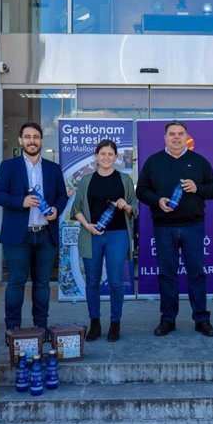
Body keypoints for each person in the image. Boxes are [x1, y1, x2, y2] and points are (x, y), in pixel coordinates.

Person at [136, 121, 213, 337]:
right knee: (166, 275)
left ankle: (201, 320)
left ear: (186, 137)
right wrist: (157, 200)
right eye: (171, 134)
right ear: (165, 138)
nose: (176, 138)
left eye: (180, 134)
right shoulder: (153, 162)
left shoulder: (199, 161)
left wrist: (198, 188)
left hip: (193, 226)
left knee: (196, 274)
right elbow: (141, 191)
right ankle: (167, 320)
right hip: (164, 228)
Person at [0, 122, 68, 340]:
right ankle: (13, 329)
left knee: (42, 283)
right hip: (18, 235)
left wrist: (56, 209)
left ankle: (41, 328)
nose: (32, 141)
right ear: (20, 140)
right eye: (28, 137)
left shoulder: (53, 169)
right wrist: (21, 201)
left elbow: (62, 196)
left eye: (36, 137)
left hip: (46, 234)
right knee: (16, 282)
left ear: (42, 140)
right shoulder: (9, 166)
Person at [71, 139, 137, 342]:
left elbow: (134, 207)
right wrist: (87, 225)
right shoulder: (86, 181)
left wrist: (126, 206)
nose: (107, 157)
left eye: (110, 154)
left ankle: (115, 323)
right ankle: (95, 323)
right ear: (96, 156)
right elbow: (77, 209)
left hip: (118, 235)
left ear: (116, 157)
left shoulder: (125, 180)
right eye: (103, 154)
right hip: (92, 234)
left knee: (116, 280)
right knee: (92, 280)